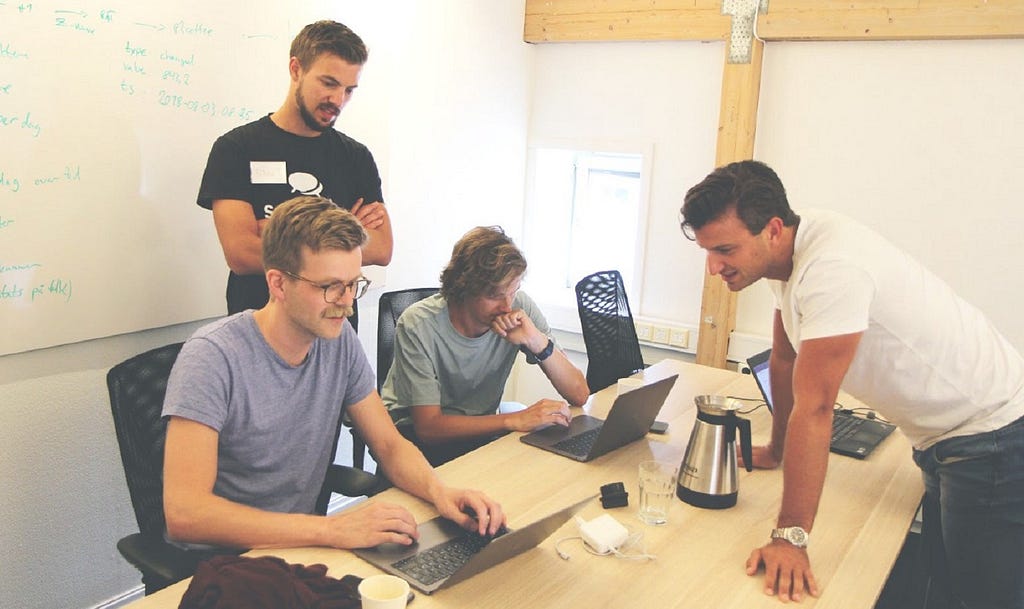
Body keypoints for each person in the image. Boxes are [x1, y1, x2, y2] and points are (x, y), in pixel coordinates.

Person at [680, 160, 1024, 608]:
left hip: (991, 438)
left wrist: (790, 538)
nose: (714, 267)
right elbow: (784, 359)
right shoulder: (789, 254)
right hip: (951, 437)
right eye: (708, 251)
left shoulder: (832, 267)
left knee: (979, 597)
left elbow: (817, 406)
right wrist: (778, 447)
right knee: (943, 581)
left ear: (773, 230)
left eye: (724, 249)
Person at [162, 196, 504, 553]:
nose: (348, 302)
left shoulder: (338, 341)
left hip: (302, 549)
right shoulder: (213, 356)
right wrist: (330, 530)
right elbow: (186, 513)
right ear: (278, 284)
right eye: (330, 287)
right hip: (222, 563)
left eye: (354, 283)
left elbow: (388, 445)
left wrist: (441, 492)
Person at [196, 20, 393, 326]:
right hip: (257, 333)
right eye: (328, 83)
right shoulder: (236, 149)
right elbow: (242, 255)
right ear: (296, 69)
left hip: (332, 333)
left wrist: (275, 232)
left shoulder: (356, 157)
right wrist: (343, 237)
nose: (338, 100)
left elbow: (381, 248)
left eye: (349, 90)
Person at [381, 226, 590, 466]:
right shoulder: (417, 324)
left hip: (480, 434)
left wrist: (537, 341)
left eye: (512, 292)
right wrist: (516, 419)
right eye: (494, 295)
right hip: (414, 441)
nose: (506, 305)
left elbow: (579, 393)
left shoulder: (519, 308)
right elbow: (429, 427)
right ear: (463, 288)